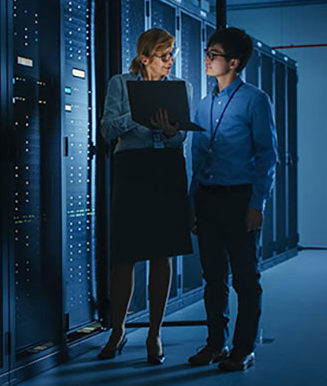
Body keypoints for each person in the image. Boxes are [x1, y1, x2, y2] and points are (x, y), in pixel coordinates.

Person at [98, 28, 193, 364]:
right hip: (132, 170)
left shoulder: (181, 88)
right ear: (144, 57)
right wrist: (138, 116)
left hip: (165, 169)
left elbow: (180, 140)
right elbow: (107, 129)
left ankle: (155, 333)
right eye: (164, 55)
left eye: (172, 55)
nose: (170, 61)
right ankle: (118, 329)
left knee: (162, 253)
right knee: (124, 255)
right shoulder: (120, 83)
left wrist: (169, 132)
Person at [188, 27, 278, 371]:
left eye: (214, 54)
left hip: (240, 200)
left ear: (235, 62)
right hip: (208, 201)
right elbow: (197, 160)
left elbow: (267, 156)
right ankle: (215, 344)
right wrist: (191, 203)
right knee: (212, 278)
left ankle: (243, 348)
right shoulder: (203, 105)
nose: (208, 59)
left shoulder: (255, 99)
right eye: (208, 52)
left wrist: (258, 203)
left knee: (245, 279)